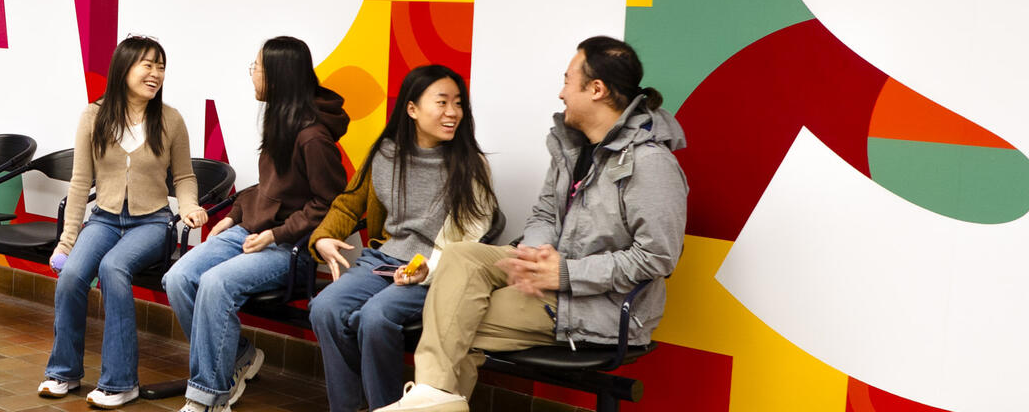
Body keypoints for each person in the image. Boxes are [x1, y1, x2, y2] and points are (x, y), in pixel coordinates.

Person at [375, 36, 689, 412]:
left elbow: (657, 258)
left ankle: (431, 398)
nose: (560, 93)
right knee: (461, 258)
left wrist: (565, 273)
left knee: (454, 317)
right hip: (554, 280)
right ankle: (435, 399)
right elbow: (543, 214)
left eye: (567, 81)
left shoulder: (650, 163)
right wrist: (536, 253)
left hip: (598, 305)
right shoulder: (571, 148)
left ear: (596, 89)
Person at [163, 36, 349, 412]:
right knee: (178, 278)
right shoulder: (282, 120)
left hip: (290, 247)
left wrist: (276, 234)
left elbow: (330, 203)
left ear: (278, 77)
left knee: (216, 284)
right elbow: (268, 188)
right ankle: (239, 356)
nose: (252, 74)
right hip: (251, 232)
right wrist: (232, 216)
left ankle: (209, 398)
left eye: (258, 67)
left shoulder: (313, 137)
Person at [306, 65, 499, 412]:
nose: (453, 112)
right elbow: (349, 202)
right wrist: (323, 238)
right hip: (384, 260)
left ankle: (389, 408)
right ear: (412, 109)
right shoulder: (385, 153)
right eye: (441, 102)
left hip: (435, 270)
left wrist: (427, 269)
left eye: (458, 103)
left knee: (376, 317)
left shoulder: (471, 166)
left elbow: (471, 236)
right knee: (325, 307)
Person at [39, 36, 208, 408]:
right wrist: (67, 242)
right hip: (104, 219)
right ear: (124, 68)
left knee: (113, 267)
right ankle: (63, 372)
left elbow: (184, 176)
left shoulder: (170, 119)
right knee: (72, 276)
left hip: (151, 223)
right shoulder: (93, 115)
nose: (155, 73)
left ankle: (120, 383)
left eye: (161, 66)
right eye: (147, 65)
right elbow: (81, 182)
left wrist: (189, 206)